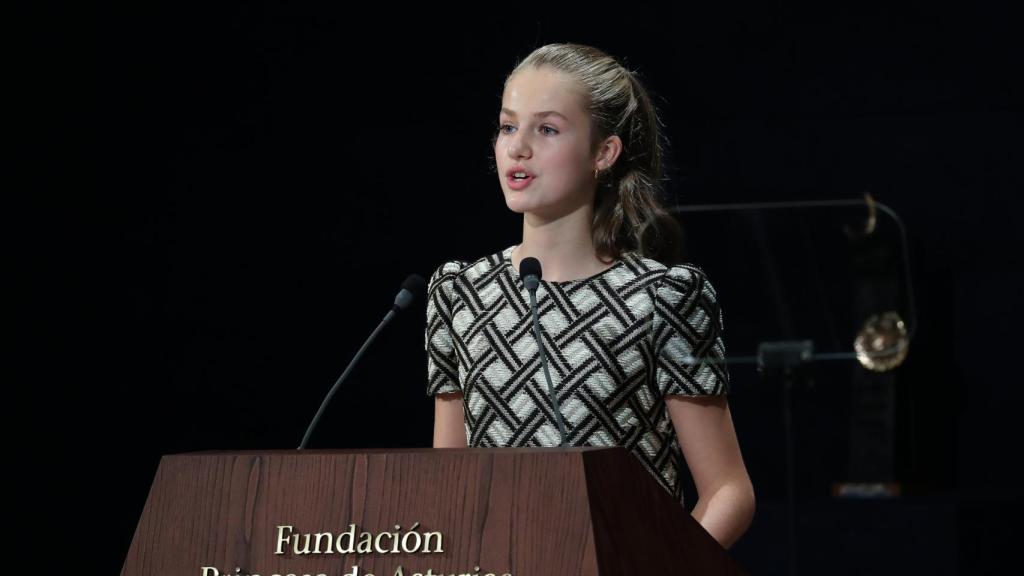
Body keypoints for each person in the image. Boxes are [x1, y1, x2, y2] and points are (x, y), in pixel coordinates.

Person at [424, 43, 754, 549]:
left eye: (547, 129)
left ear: (604, 153)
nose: (517, 148)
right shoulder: (460, 292)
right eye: (508, 126)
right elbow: (452, 482)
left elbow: (728, 490)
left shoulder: (662, 298)